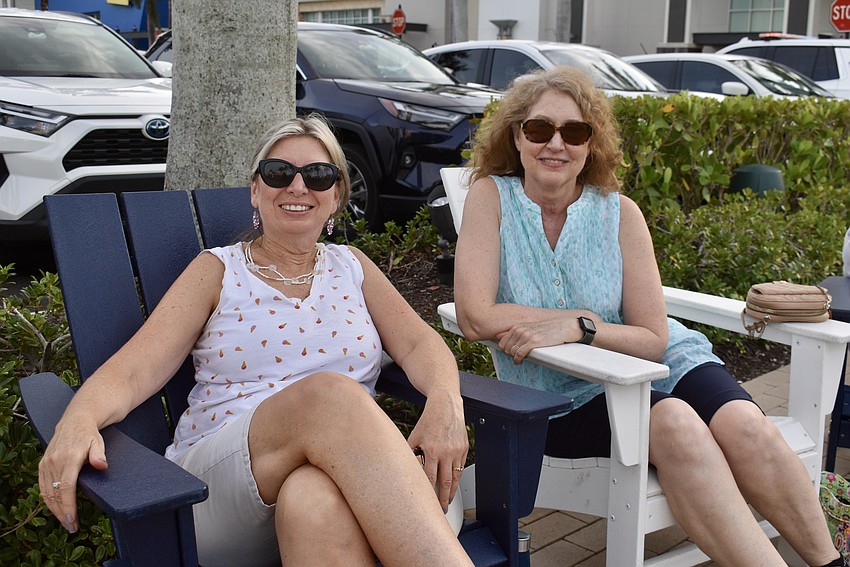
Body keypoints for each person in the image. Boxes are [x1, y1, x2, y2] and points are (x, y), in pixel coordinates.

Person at [37, 115, 474, 567]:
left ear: (337, 195)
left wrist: (446, 403)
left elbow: (419, 344)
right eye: (279, 172)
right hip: (217, 494)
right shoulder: (218, 271)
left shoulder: (352, 266)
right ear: (255, 189)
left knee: (313, 499)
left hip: (346, 481)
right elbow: (134, 370)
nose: (298, 186)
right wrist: (79, 420)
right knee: (329, 395)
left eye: (318, 175)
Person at [453, 66, 844, 567]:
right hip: (566, 395)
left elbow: (654, 339)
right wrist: (576, 320)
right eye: (539, 128)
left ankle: (831, 563)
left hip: (661, 360)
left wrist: (580, 325)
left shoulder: (620, 213)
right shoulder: (492, 198)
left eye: (574, 131)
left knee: (745, 426)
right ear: (516, 136)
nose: (556, 144)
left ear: (591, 143)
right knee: (677, 423)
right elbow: (475, 316)